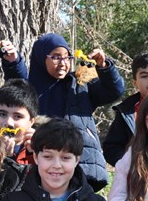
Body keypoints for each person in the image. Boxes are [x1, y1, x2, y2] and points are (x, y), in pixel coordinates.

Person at [27, 33, 124, 190]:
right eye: (56, 57)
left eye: (67, 57)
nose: (63, 63)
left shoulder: (79, 84)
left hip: (80, 167)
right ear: (40, 58)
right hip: (42, 167)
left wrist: (104, 67)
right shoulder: (29, 90)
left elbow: (115, 91)